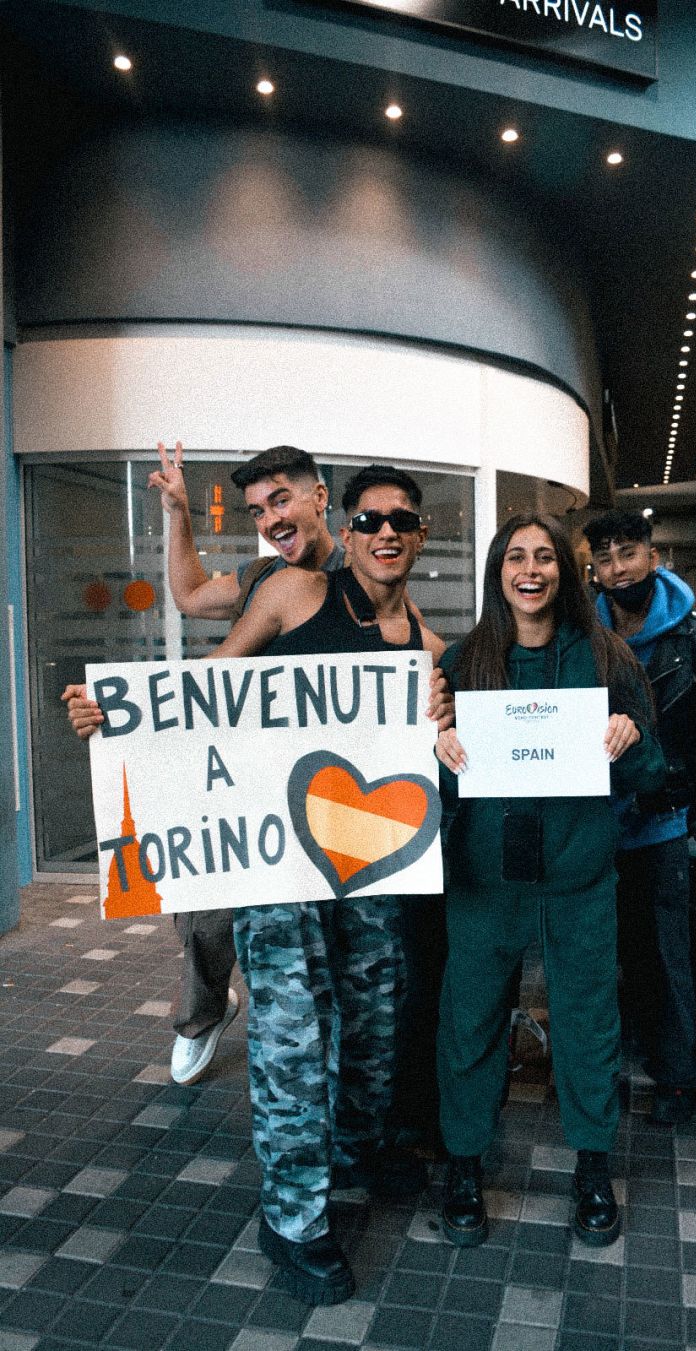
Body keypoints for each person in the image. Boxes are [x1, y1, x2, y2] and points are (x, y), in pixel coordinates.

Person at [204, 464, 445, 1303]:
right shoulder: (295, 596)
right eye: (371, 518)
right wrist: (112, 715)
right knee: (294, 1038)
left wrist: (446, 728)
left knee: (375, 1020)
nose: (386, 532)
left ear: (420, 537)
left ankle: (352, 1153)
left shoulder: (426, 646)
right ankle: (293, 1217)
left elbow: (439, 760)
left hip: (368, 867)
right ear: (346, 530)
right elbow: (202, 693)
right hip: (277, 868)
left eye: (402, 521)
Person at [62, 444, 347, 1086]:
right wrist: (178, 511)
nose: (271, 519)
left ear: (319, 496)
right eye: (257, 510)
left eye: (282, 500)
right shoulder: (257, 578)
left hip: (327, 787)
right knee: (202, 896)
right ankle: (203, 1014)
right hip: (248, 773)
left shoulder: (362, 574)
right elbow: (190, 593)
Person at [433, 514, 664, 1249]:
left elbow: (654, 770)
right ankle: (464, 1163)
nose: (529, 570)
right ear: (497, 570)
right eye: (515, 557)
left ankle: (593, 1165)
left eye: (544, 558)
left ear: (566, 572)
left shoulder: (607, 657)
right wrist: (433, 741)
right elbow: (418, 779)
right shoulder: (463, 660)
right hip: (484, 874)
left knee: (590, 1021)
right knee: (468, 1021)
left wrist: (627, 744)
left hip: (577, 873)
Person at [584, 510, 696, 1124]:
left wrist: (678, 795)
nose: (619, 568)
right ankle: (616, 1061)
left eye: (629, 553)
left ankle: (677, 1074)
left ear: (651, 555)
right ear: (592, 569)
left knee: (667, 946)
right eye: (606, 558)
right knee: (609, 948)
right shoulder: (581, 634)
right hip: (597, 823)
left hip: (666, 821)